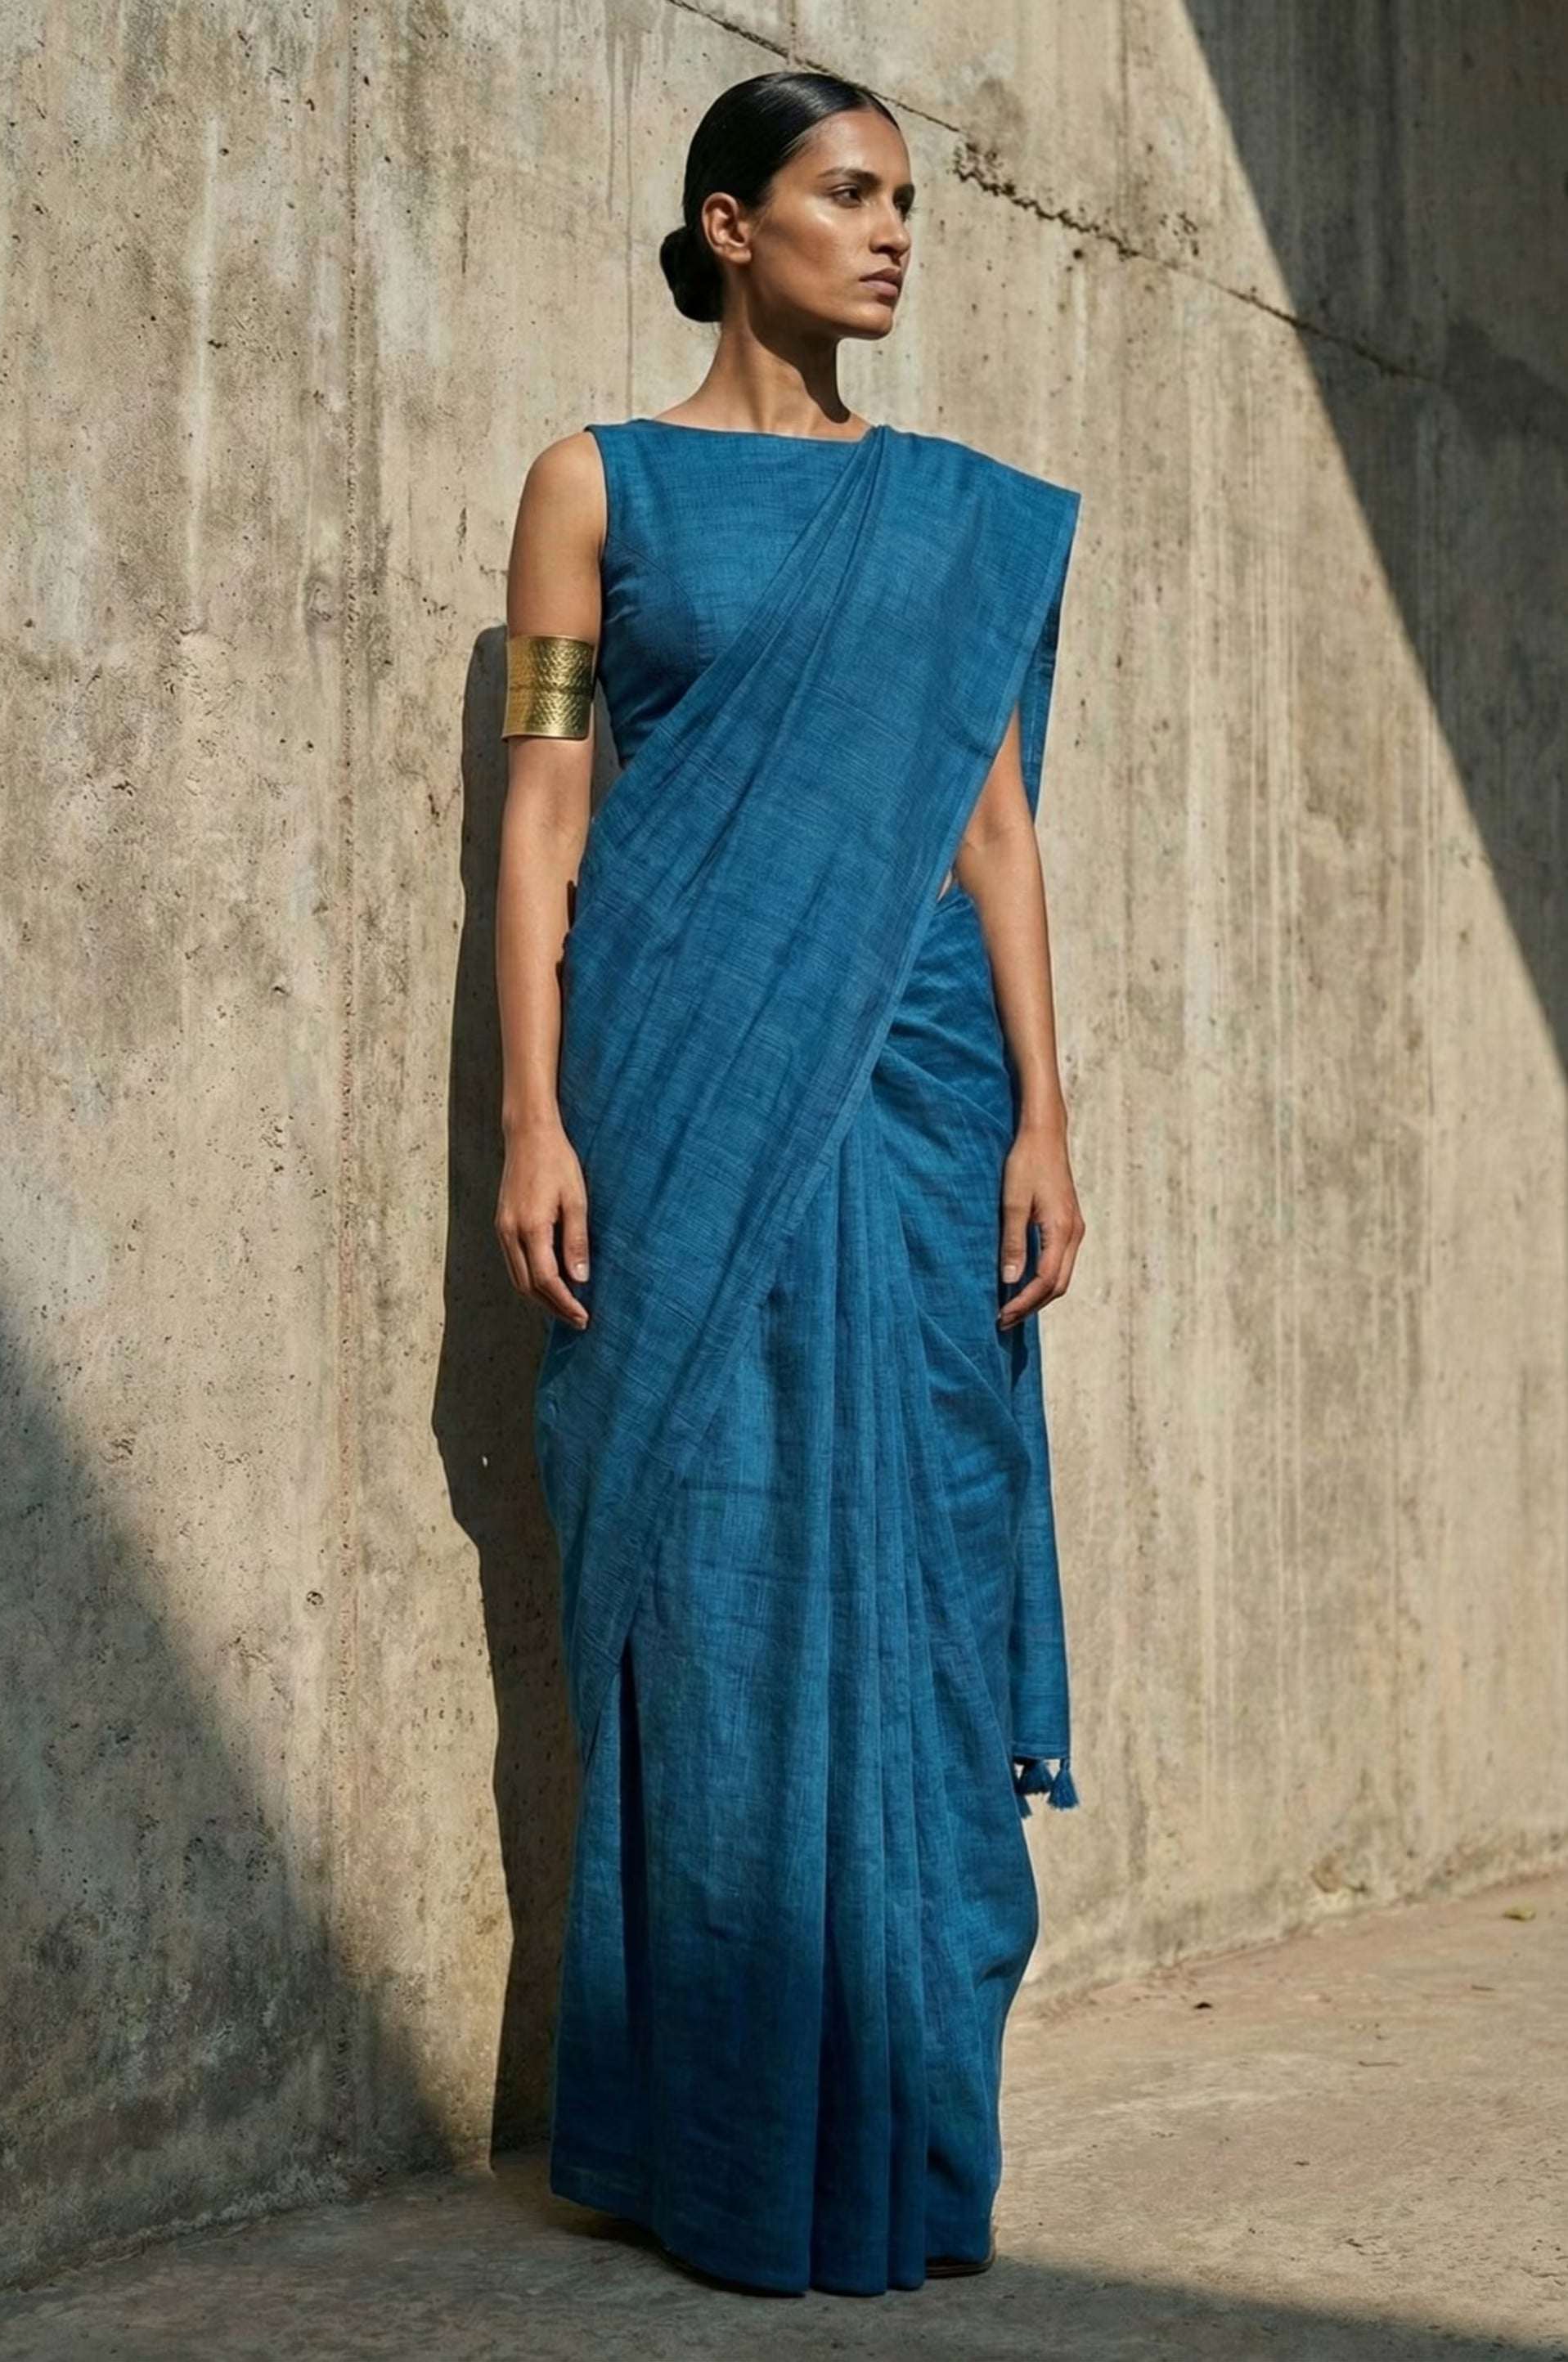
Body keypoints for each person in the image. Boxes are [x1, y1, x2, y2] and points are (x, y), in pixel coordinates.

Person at [493, 67, 1084, 2300]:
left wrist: (1046, 1109)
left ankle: (904, 2123)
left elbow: (995, 825)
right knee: (706, 1589)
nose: (896, 232)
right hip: (671, 1078)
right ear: (729, 226)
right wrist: (534, 1118)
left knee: (923, 1580)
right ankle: (703, 2126)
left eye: (911, 200)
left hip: (922, 1091)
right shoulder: (596, 485)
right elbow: (543, 817)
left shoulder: (950, 520)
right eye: (851, 195)